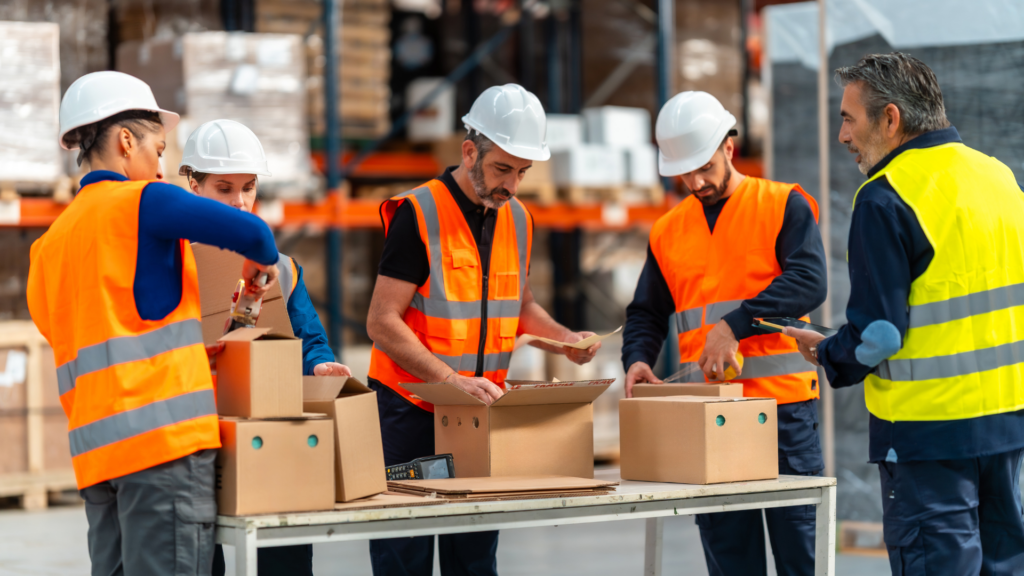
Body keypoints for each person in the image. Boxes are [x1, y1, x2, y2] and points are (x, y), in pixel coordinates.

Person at [26, 71, 281, 576]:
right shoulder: (146, 201)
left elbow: (79, 332)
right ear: (125, 141)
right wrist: (256, 265)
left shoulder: (47, 248)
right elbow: (255, 234)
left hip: (97, 461)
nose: (161, 167)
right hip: (163, 452)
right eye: (159, 151)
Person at [785, 52, 1024, 575]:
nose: (842, 135)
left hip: (927, 432)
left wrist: (828, 350)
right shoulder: (1000, 178)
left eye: (849, 118)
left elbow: (881, 336)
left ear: (890, 119)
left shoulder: (885, 197)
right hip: (1007, 425)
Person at [364, 83, 600, 576]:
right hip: (409, 411)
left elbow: (523, 304)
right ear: (469, 150)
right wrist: (450, 381)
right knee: (402, 555)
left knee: (473, 555)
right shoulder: (418, 213)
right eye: (501, 169)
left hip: (478, 411)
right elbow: (381, 322)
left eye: (521, 173)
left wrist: (565, 339)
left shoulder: (518, 218)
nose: (511, 185)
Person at [622, 91, 827, 576]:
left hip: (783, 412)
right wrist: (637, 358)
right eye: (683, 173)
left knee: (800, 553)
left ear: (729, 148)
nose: (696, 182)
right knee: (731, 557)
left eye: (705, 167)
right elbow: (647, 311)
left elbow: (809, 280)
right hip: (709, 416)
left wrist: (734, 326)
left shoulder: (782, 204)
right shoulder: (668, 230)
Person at [178, 119, 352, 576]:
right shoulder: (173, 266)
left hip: (266, 434)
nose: (239, 201)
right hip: (193, 436)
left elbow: (309, 339)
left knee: (286, 557)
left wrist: (318, 367)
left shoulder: (284, 269)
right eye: (224, 187)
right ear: (192, 185)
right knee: (197, 559)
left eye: (248, 187)